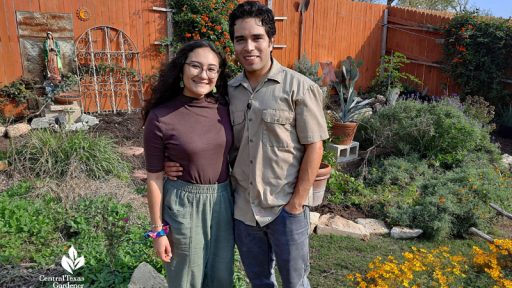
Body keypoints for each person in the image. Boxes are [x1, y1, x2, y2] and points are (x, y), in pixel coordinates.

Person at [166, 2, 328, 287]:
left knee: (296, 282)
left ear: (271, 41)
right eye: (241, 39)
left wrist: (296, 204)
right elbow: (205, 135)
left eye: (257, 38)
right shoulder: (227, 92)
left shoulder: (299, 88)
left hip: (284, 209)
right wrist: (174, 160)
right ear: (233, 44)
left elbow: (315, 146)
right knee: (259, 282)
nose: (249, 46)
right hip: (243, 211)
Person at [143, 40, 234, 288]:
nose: (203, 75)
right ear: (182, 69)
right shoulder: (161, 116)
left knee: (222, 278)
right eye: (196, 66)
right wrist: (158, 231)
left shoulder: (225, 109)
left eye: (212, 69)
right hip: (183, 204)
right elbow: (154, 178)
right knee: (185, 279)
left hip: (223, 201)